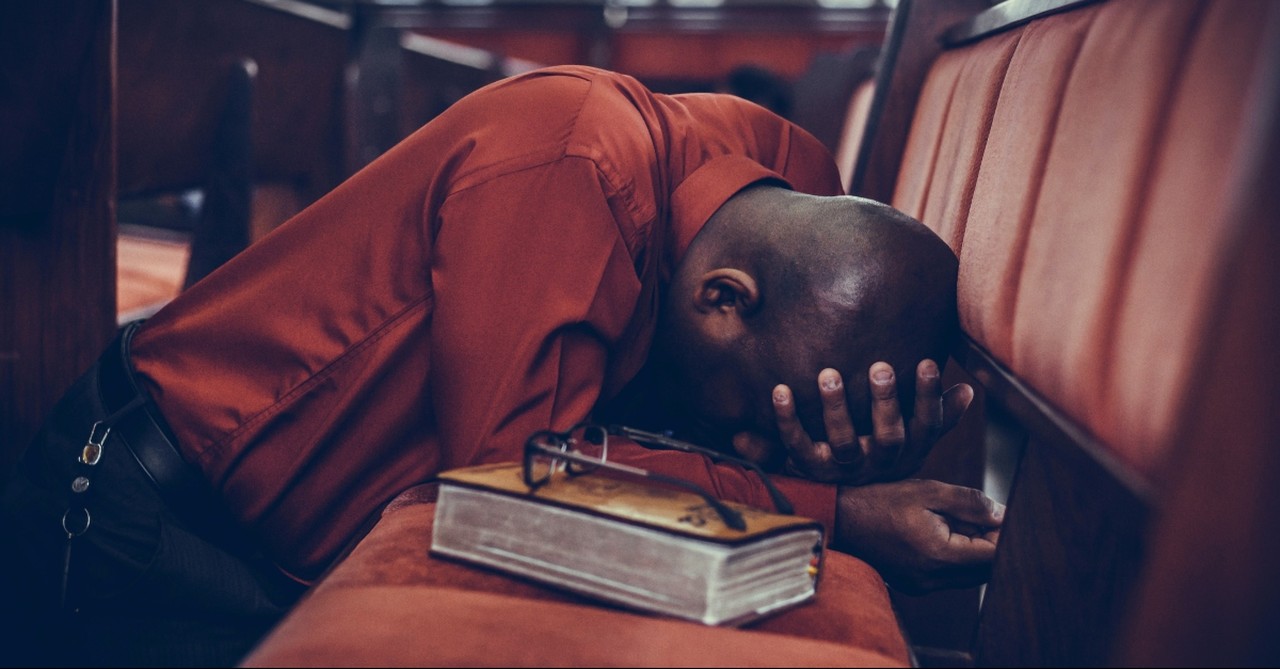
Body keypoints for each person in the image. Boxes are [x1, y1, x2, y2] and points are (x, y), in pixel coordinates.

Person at [0, 64, 1000, 667]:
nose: (747, 443)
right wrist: (828, 509)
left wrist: (839, 459)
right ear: (721, 298)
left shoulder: (785, 180)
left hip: (293, 551)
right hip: (149, 530)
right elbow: (517, 486)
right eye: (749, 418)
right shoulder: (575, 168)